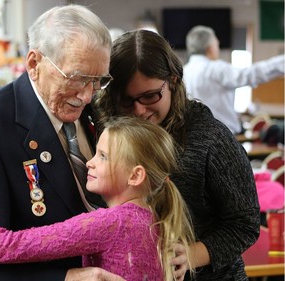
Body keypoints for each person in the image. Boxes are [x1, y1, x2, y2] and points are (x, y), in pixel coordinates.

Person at [0, 5, 132, 281]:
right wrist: (65, 277)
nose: (87, 95)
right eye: (77, 78)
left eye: (98, 80)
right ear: (34, 64)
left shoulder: (92, 112)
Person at [0, 116, 196, 281]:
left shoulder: (110, 223)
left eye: (103, 157)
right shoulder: (153, 220)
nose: (89, 162)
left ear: (135, 175)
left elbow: (4, 247)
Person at [94, 29, 260, 281]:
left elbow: (245, 224)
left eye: (150, 96)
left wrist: (191, 255)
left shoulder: (211, 139)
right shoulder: (107, 130)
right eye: (127, 101)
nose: (139, 111)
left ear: (173, 80)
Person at [183, 25, 285, 135]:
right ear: (210, 47)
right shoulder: (216, 69)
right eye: (217, 44)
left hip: (195, 136)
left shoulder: (183, 72)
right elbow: (250, 75)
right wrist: (281, 63)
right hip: (222, 137)